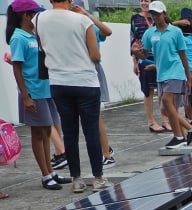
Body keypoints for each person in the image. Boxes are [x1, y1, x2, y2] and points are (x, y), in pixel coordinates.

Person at [35, 0, 109, 192]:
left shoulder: (39, 19)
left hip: (58, 82)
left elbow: (42, 48)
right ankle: (98, 177)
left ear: (51, 0)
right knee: (91, 130)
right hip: (85, 81)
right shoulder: (82, 20)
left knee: (69, 131)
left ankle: (76, 179)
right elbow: (95, 55)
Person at [6, 0, 70, 190]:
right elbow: (17, 68)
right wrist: (25, 97)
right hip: (33, 91)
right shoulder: (19, 38)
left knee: (46, 131)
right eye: (34, 14)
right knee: (38, 133)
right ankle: (45, 175)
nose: (37, 17)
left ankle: (51, 172)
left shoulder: (33, 35)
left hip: (46, 89)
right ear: (26, 16)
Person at [139, 1, 192, 148]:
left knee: (166, 101)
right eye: (153, 14)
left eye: (158, 14)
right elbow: (144, 54)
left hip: (176, 71)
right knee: (166, 109)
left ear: (164, 14)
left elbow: (183, 55)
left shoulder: (175, 32)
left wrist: (188, 77)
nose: (155, 17)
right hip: (162, 73)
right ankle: (185, 133)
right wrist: (136, 52)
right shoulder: (149, 33)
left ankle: (182, 134)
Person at [71, 0, 114, 168]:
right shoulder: (76, 25)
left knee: (95, 116)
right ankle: (105, 150)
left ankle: (106, 154)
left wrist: (88, 16)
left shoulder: (88, 26)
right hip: (82, 71)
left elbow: (107, 31)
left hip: (90, 70)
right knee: (91, 117)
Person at [130, 0, 167, 133]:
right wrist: (135, 62)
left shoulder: (157, 18)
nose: (144, 3)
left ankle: (165, 120)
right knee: (148, 91)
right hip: (144, 58)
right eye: (142, 0)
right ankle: (151, 122)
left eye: (147, 0)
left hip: (159, 58)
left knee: (163, 90)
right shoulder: (135, 19)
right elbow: (133, 40)